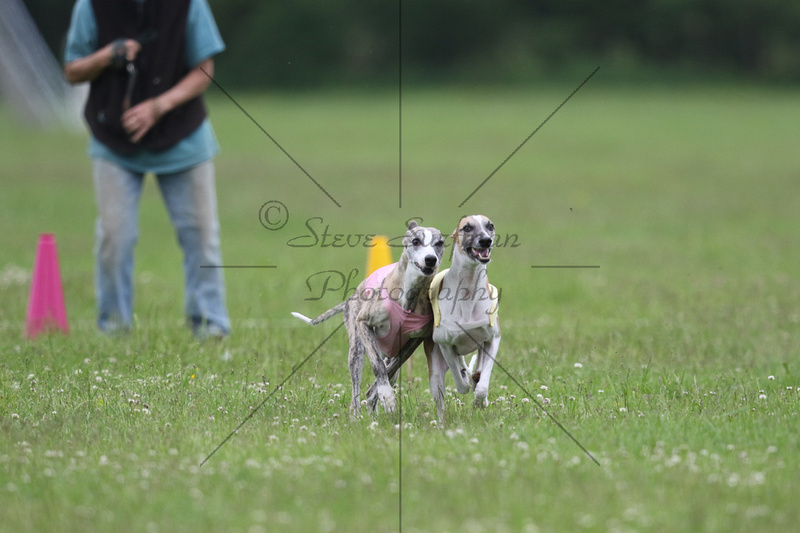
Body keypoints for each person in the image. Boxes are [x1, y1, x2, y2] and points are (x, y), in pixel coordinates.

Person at [63, 0, 230, 339]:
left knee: (202, 235)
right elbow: (72, 70)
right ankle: (113, 328)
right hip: (114, 140)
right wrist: (107, 55)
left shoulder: (189, 4)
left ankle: (211, 324)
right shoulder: (90, 6)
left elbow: (204, 68)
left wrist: (158, 106)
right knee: (115, 236)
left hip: (183, 134)